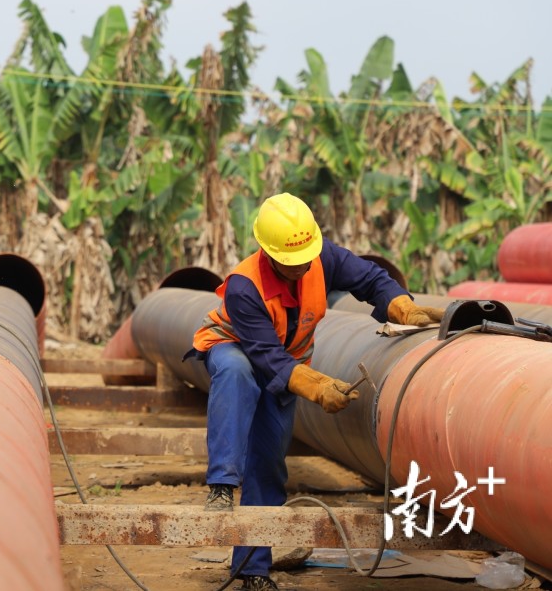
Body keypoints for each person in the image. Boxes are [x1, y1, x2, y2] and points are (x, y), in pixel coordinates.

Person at [190, 192, 443, 591]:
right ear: (267, 252)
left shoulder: (320, 258)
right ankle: (222, 482)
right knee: (238, 373)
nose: (300, 268)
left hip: (287, 361)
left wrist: (401, 306)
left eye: (305, 259)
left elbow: (371, 278)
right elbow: (266, 359)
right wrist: (319, 386)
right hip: (235, 347)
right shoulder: (244, 286)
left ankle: (252, 570)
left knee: (269, 463)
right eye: (290, 263)